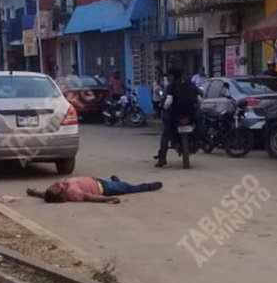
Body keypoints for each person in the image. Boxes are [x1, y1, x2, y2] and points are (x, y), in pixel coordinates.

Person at [156, 68, 201, 168]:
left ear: (172, 76)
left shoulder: (171, 86)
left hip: (175, 116)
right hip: (190, 115)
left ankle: (162, 158)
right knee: (200, 121)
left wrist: (163, 107)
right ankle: (198, 142)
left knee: (166, 133)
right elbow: (199, 99)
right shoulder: (191, 84)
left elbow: (168, 102)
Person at [27, 175, 163, 204]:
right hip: (104, 188)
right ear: (61, 196)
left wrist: (34, 192)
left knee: (122, 186)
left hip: (97, 180)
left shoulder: (59, 187)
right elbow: (90, 197)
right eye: (54, 189)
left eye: (51, 187)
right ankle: (149, 186)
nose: (53, 186)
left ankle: (117, 182)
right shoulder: (71, 193)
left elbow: (44, 195)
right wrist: (108, 199)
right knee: (130, 188)